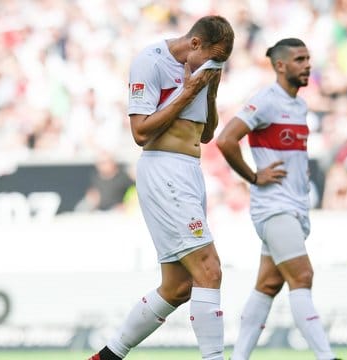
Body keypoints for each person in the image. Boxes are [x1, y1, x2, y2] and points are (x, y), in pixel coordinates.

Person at [89, 15, 234, 360]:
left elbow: (207, 133)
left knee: (179, 286)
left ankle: (107, 356)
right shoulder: (150, 61)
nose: (215, 65)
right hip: (164, 169)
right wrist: (187, 93)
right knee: (209, 268)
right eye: (214, 57)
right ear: (195, 43)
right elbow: (140, 133)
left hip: (189, 171)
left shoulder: (203, 73)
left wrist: (209, 89)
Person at [217, 38, 340, 360]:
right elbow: (226, 139)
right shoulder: (266, 100)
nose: (307, 65)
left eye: (309, 58)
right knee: (302, 276)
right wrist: (253, 176)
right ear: (281, 65)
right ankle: (326, 356)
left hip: (296, 206)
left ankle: (238, 358)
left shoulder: (299, 105)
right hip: (274, 207)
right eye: (300, 59)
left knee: (268, 285)